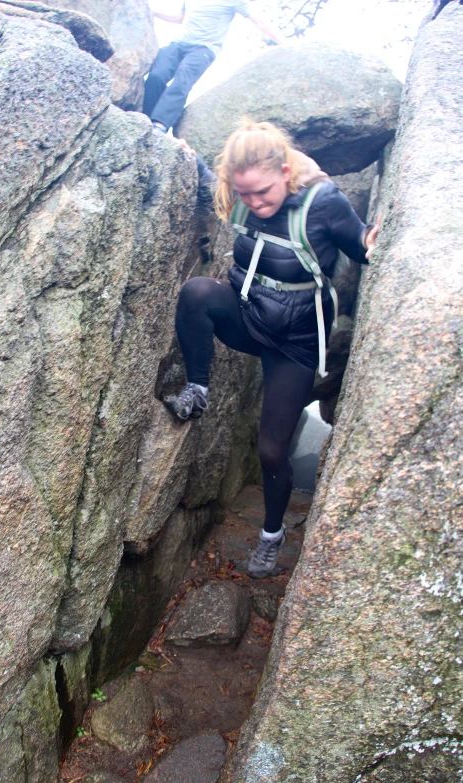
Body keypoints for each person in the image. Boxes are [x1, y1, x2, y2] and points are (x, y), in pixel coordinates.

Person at [164, 120, 380, 578]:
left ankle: (271, 536)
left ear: (285, 171)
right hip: (249, 315)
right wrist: (188, 154)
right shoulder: (237, 194)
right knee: (198, 292)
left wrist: (373, 242)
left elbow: (363, 247)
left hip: (294, 342)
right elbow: (208, 184)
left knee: (271, 450)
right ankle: (197, 390)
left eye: (263, 192)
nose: (255, 204)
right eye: (245, 196)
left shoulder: (323, 204)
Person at [143, 1, 285, 133]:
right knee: (156, 75)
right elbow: (179, 17)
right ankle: (146, 120)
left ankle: (160, 124)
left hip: (203, 49)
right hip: (179, 44)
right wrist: (149, 9)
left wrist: (284, 44)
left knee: (183, 77)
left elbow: (259, 21)